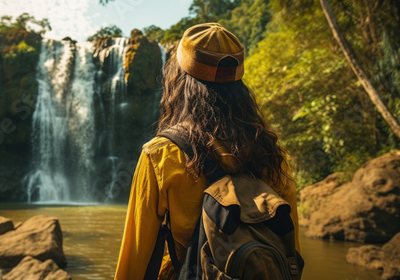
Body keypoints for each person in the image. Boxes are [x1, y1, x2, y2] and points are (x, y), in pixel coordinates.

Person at [114, 22, 300, 280]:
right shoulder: (272, 153)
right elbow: (292, 250)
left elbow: (135, 258)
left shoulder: (160, 154)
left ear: (178, 78)